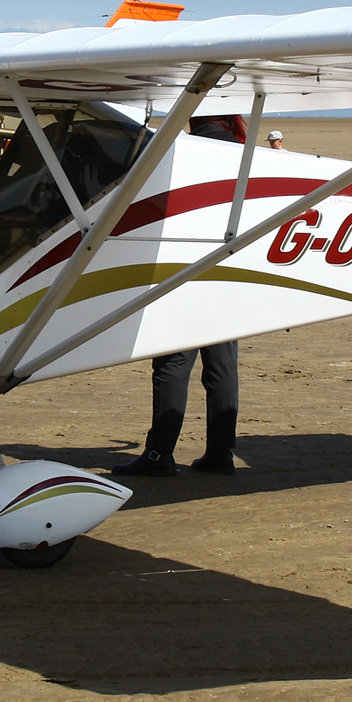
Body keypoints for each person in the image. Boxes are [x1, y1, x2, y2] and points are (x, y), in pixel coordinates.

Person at [114, 114, 244, 477]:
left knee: (172, 363)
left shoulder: (188, 148)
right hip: (231, 271)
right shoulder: (240, 149)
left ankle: (159, 454)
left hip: (188, 267)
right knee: (221, 365)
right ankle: (221, 452)